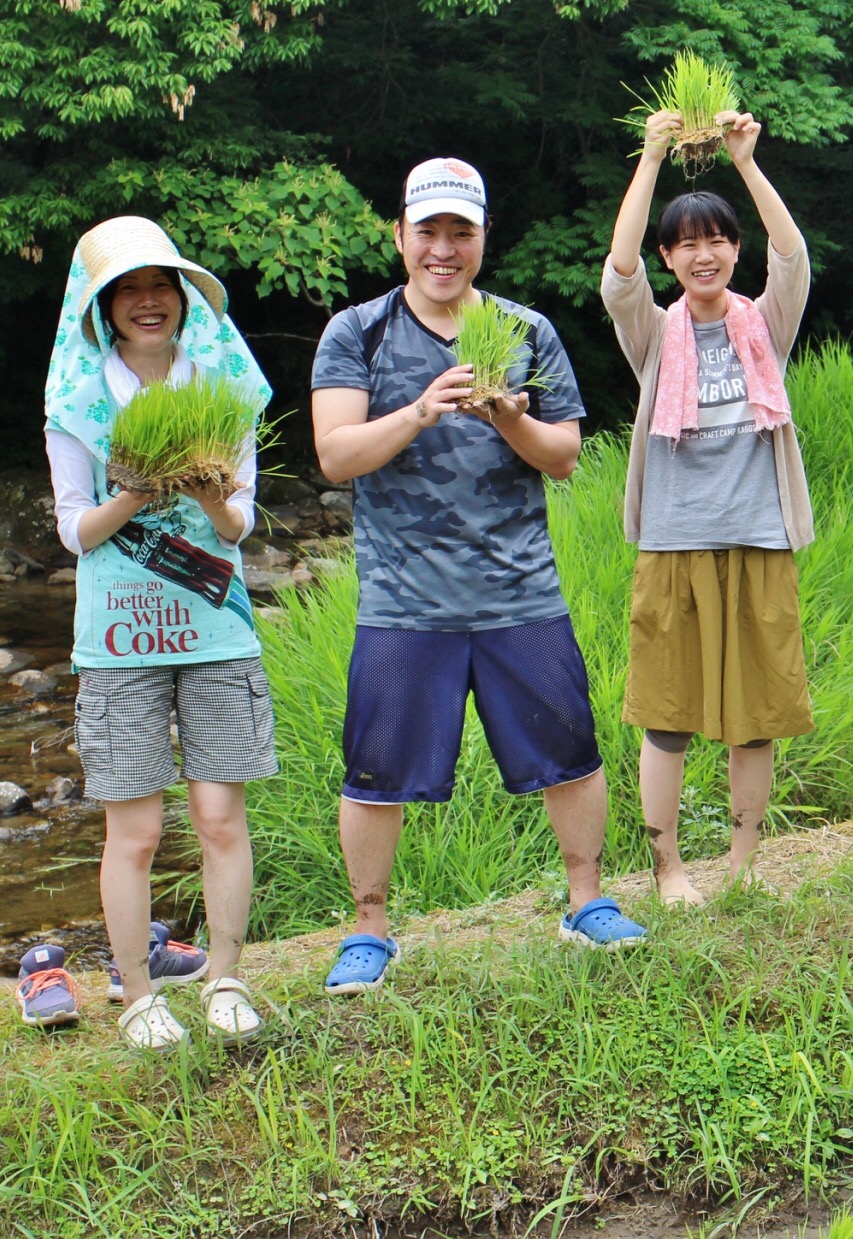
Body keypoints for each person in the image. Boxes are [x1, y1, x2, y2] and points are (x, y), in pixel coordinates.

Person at [311, 157, 633, 992]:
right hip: (403, 600)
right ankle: (370, 930)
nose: (444, 250)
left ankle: (586, 903)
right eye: (429, 232)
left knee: (570, 746)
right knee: (375, 769)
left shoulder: (525, 332)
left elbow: (563, 456)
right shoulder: (360, 332)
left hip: (518, 587)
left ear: (484, 237)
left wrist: (505, 415)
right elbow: (336, 454)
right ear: (401, 237)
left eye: (462, 232)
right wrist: (421, 409)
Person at [44, 216, 277, 1051]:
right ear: (105, 307)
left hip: (216, 631)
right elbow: (75, 530)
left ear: (183, 300)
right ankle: (139, 995)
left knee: (220, 819)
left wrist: (212, 491)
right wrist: (136, 491)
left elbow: (239, 523)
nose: (147, 302)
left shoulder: (225, 385)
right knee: (134, 832)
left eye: (160, 286)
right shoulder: (77, 397)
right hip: (117, 640)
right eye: (128, 290)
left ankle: (225, 978)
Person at [602, 107, 815, 904]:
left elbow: (791, 258)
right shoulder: (654, 334)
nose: (704, 253)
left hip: (761, 538)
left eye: (717, 239)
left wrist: (746, 164)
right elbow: (617, 275)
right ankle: (669, 872)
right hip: (673, 542)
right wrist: (654, 154)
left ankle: (743, 868)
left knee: (755, 715)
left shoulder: (766, 324)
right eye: (686, 242)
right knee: (667, 715)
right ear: (669, 256)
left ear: (734, 250)